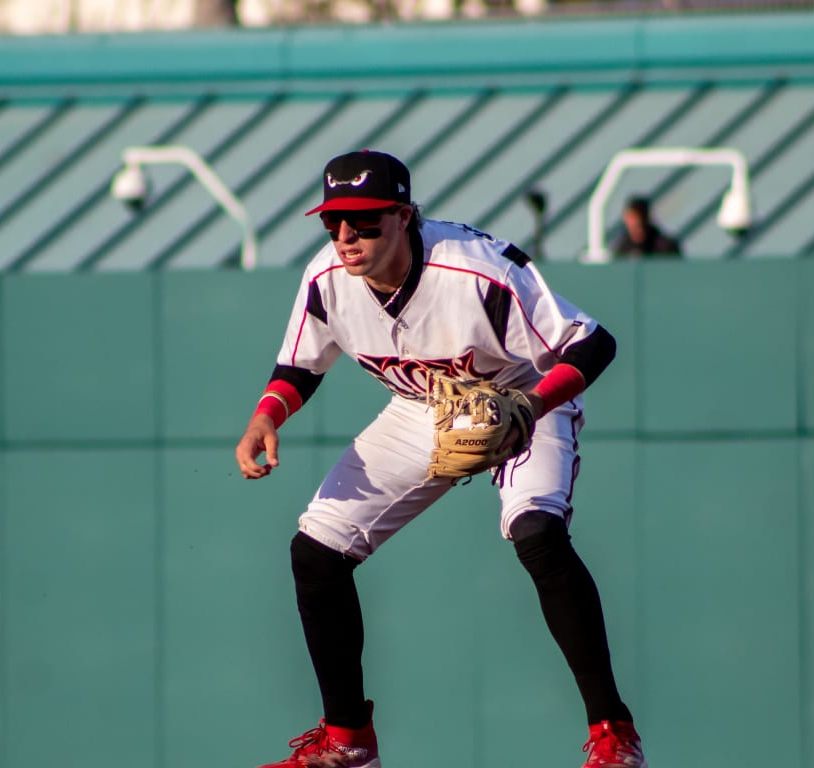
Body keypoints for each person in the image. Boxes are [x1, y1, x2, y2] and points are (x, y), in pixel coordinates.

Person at [234, 150, 644, 768]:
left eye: (365, 221)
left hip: (523, 390)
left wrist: (530, 408)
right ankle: (347, 740)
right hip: (423, 406)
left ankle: (613, 735)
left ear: (404, 216)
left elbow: (593, 342)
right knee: (315, 552)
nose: (346, 236)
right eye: (333, 221)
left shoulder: (477, 272)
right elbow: (300, 363)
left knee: (536, 532)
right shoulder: (327, 279)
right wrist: (266, 415)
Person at [611, 195, 681, 258]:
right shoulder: (621, 249)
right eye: (632, 218)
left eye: (640, 217)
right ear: (625, 218)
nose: (637, 222)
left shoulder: (665, 247)